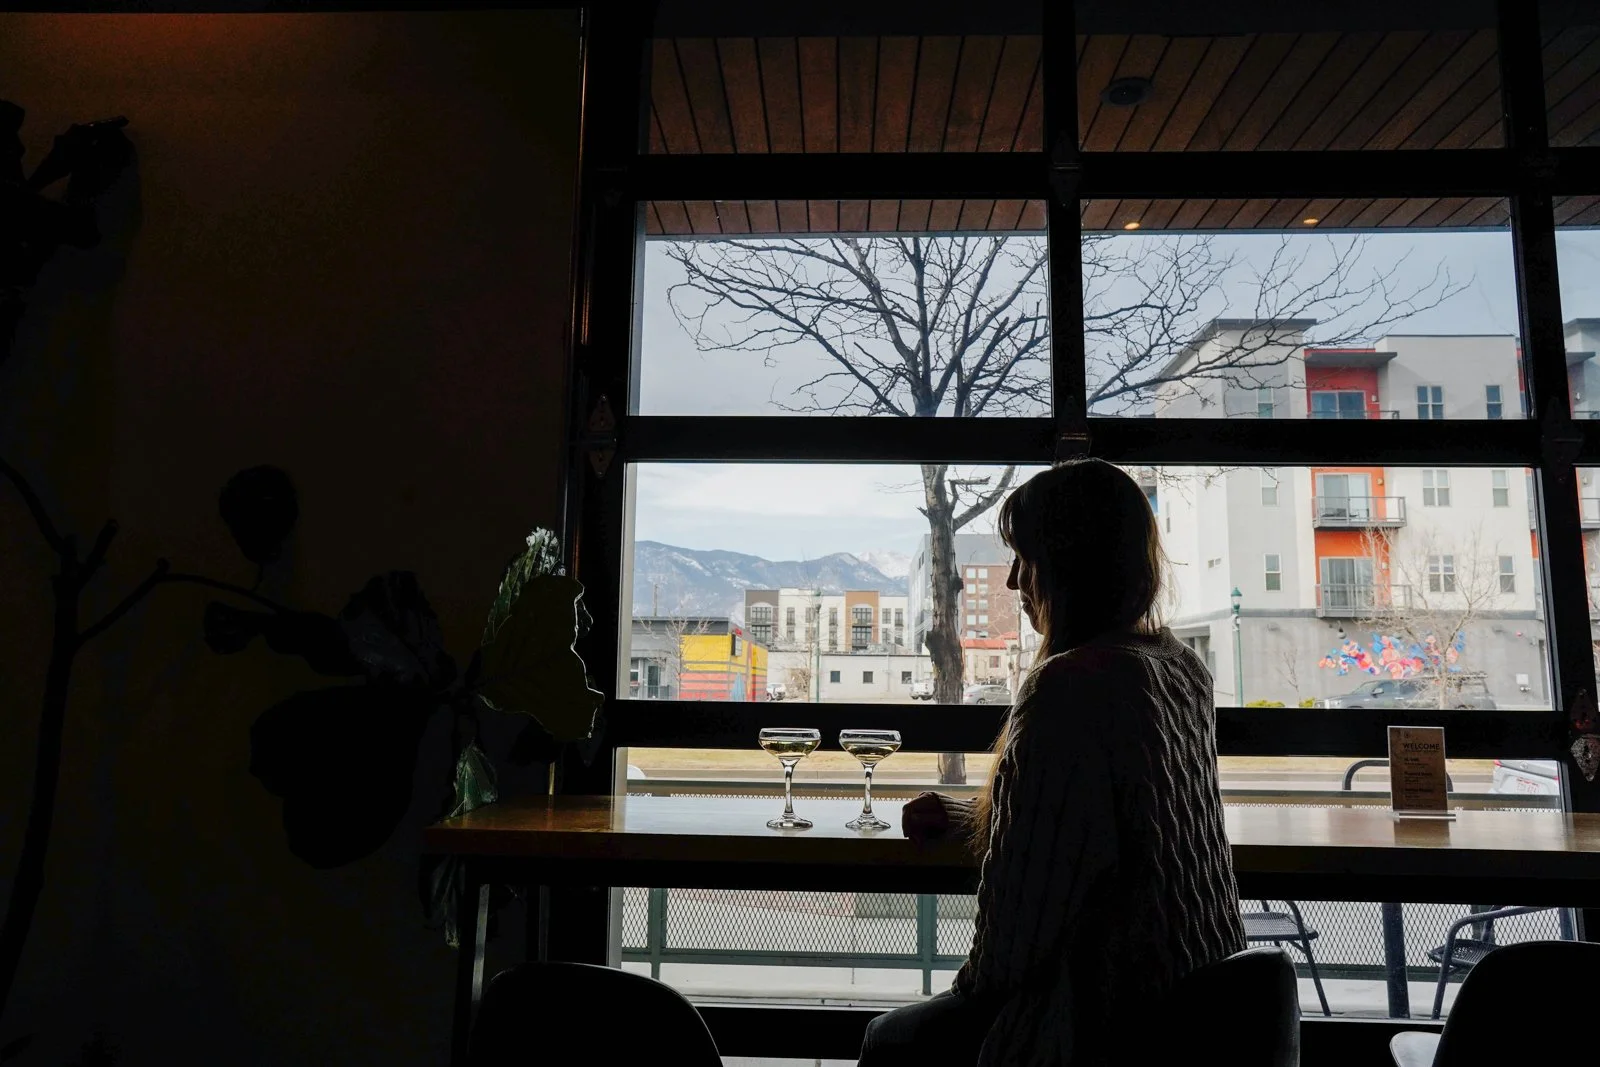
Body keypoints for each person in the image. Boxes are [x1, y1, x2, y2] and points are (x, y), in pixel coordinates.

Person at [858, 460, 1245, 1067]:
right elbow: (1116, 819)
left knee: (888, 1040)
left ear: (1069, 564)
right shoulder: (1178, 668)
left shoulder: (1074, 683)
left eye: (1024, 558)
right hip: (1205, 1013)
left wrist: (968, 1001)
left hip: (1107, 1026)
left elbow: (1013, 943)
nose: (1014, 581)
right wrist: (975, 816)